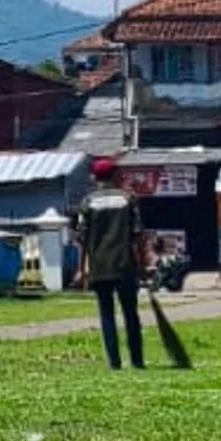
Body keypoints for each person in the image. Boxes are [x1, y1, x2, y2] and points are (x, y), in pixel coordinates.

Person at [75, 156, 147, 370]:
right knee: (131, 314)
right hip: (125, 265)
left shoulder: (88, 202)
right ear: (115, 175)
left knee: (107, 314)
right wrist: (141, 264)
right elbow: (137, 235)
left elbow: (83, 239)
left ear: (94, 177)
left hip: (100, 266)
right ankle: (137, 360)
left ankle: (114, 362)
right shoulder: (127, 199)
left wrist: (81, 269)